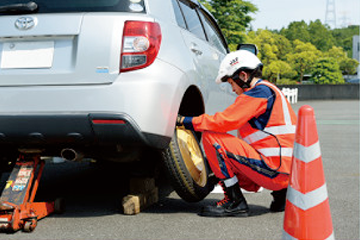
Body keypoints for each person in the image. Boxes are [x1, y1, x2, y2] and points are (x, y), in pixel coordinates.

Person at [177, 50, 297, 217]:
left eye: (231, 83)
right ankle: (281, 195)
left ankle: (235, 202)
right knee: (225, 162)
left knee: (212, 137)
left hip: (273, 170)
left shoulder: (258, 92)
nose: (232, 89)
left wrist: (185, 121)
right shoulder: (271, 92)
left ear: (243, 76)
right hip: (286, 174)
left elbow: (223, 122)